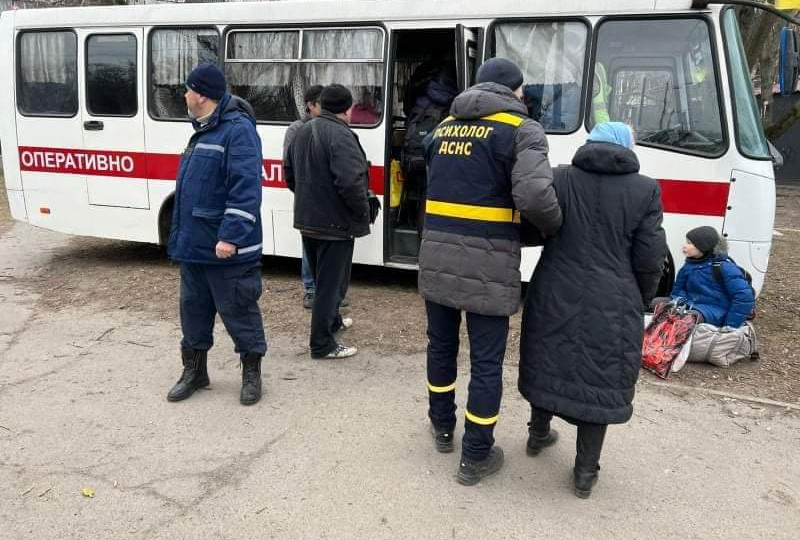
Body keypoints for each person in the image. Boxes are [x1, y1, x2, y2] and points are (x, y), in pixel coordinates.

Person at [418, 58, 563, 486]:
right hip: (490, 262)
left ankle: (442, 428)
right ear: (516, 91)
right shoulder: (523, 131)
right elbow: (536, 195)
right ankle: (476, 455)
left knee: (440, 347)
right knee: (486, 362)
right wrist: (553, 230)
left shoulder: (443, 129)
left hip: (437, 256)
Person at [518, 122, 667, 498]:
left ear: (589, 144)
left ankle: (537, 435)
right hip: (614, 295)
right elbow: (650, 257)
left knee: (547, 356)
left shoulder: (559, 178)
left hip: (554, 284)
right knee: (599, 374)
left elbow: (535, 226)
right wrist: (642, 296)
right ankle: (585, 471)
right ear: (627, 147)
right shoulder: (645, 188)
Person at [166, 63, 267, 406]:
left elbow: (246, 189)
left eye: (188, 89)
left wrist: (231, 237)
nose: (184, 94)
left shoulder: (237, 131)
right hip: (195, 246)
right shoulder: (203, 129)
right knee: (193, 312)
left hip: (226, 249)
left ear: (201, 95)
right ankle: (195, 371)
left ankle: (251, 374)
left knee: (239, 311)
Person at [285, 84, 370, 359]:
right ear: (348, 109)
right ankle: (322, 344)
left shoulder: (302, 130)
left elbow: (290, 174)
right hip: (334, 224)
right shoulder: (341, 135)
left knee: (323, 280)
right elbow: (351, 182)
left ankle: (333, 323)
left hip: (308, 219)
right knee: (329, 286)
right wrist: (361, 213)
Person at [664, 226, 755, 328]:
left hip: (718, 311)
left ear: (703, 247)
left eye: (689, 243)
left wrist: (730, 326)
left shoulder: (725, 268)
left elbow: (743, 297)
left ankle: (670, 341)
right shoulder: (688, 266)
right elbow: (677, 291)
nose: (684, 246)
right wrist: (680, 302)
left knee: (689, 318)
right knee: (657, 304)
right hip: (693, 305)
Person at [284, 85, 323, 309]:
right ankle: (310, 290)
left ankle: (327, 290)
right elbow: (288, 167)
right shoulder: (296, 129)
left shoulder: (330, 127)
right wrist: (304, 191)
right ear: (310, 106)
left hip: (325, 197)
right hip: (307, 196)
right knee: (309, 245)